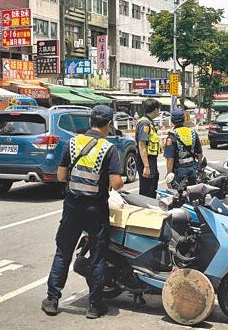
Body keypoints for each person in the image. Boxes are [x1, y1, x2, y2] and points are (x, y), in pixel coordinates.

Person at [41, 105, 124, 319]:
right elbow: (116, 184)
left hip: (72, 207)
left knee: (63, 252)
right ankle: (95, 306)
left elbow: (61, 176)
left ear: (90, 122)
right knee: (97, 256)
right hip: (96, 210)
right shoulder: (109, 149)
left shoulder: (72, 143)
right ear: (108, 124)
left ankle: (52, 300)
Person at [164, 108, 203, 187]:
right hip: (192, 169)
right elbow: (199, 154)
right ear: (184, 119)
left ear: (172, 120)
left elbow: (170, 159)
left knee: (179, 195)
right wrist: (199, 169)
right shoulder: (193, 132)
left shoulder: (172, 136)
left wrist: (169, 175)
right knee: (193, 193)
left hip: (179, 171)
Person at [135, 99, 161, 198]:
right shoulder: (145, 124)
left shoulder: (149, 123)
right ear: (155, 109)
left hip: (151, 160)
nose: (159, 111)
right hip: (146, 161)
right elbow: (142, 145)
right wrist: (146, 166)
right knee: (147, 190)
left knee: (152, 187)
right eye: (158, 109)